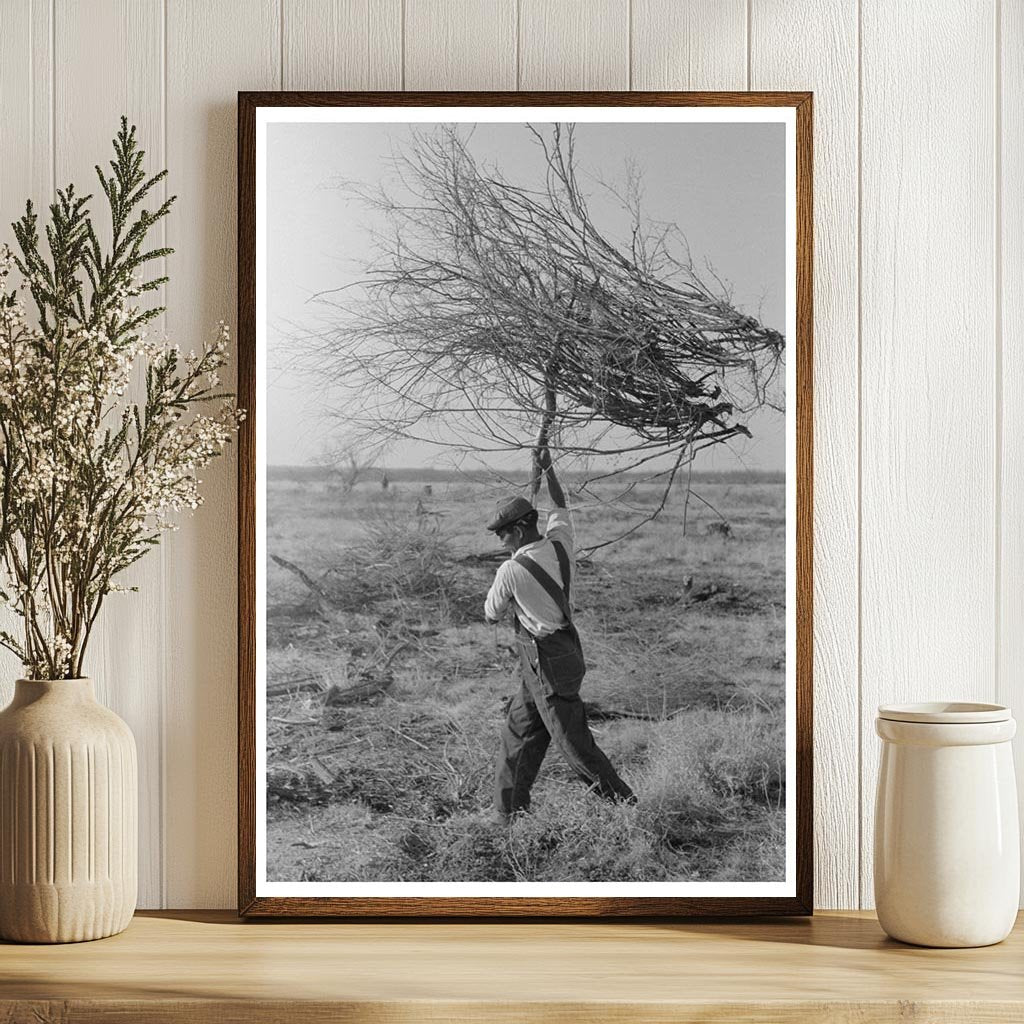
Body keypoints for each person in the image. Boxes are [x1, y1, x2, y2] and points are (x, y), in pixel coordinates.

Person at [484, 456, 635, 823]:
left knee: (573, 745)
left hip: (543, 664)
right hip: (565, 652)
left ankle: (628, 808)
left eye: (503, 533)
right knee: (518, 732)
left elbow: (491, 614)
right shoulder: (561, 544)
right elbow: (560, 505)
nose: (500, 540)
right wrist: (547, 466)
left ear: (520, 530)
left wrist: (511, 592)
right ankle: (508, 813)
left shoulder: (510, 570)